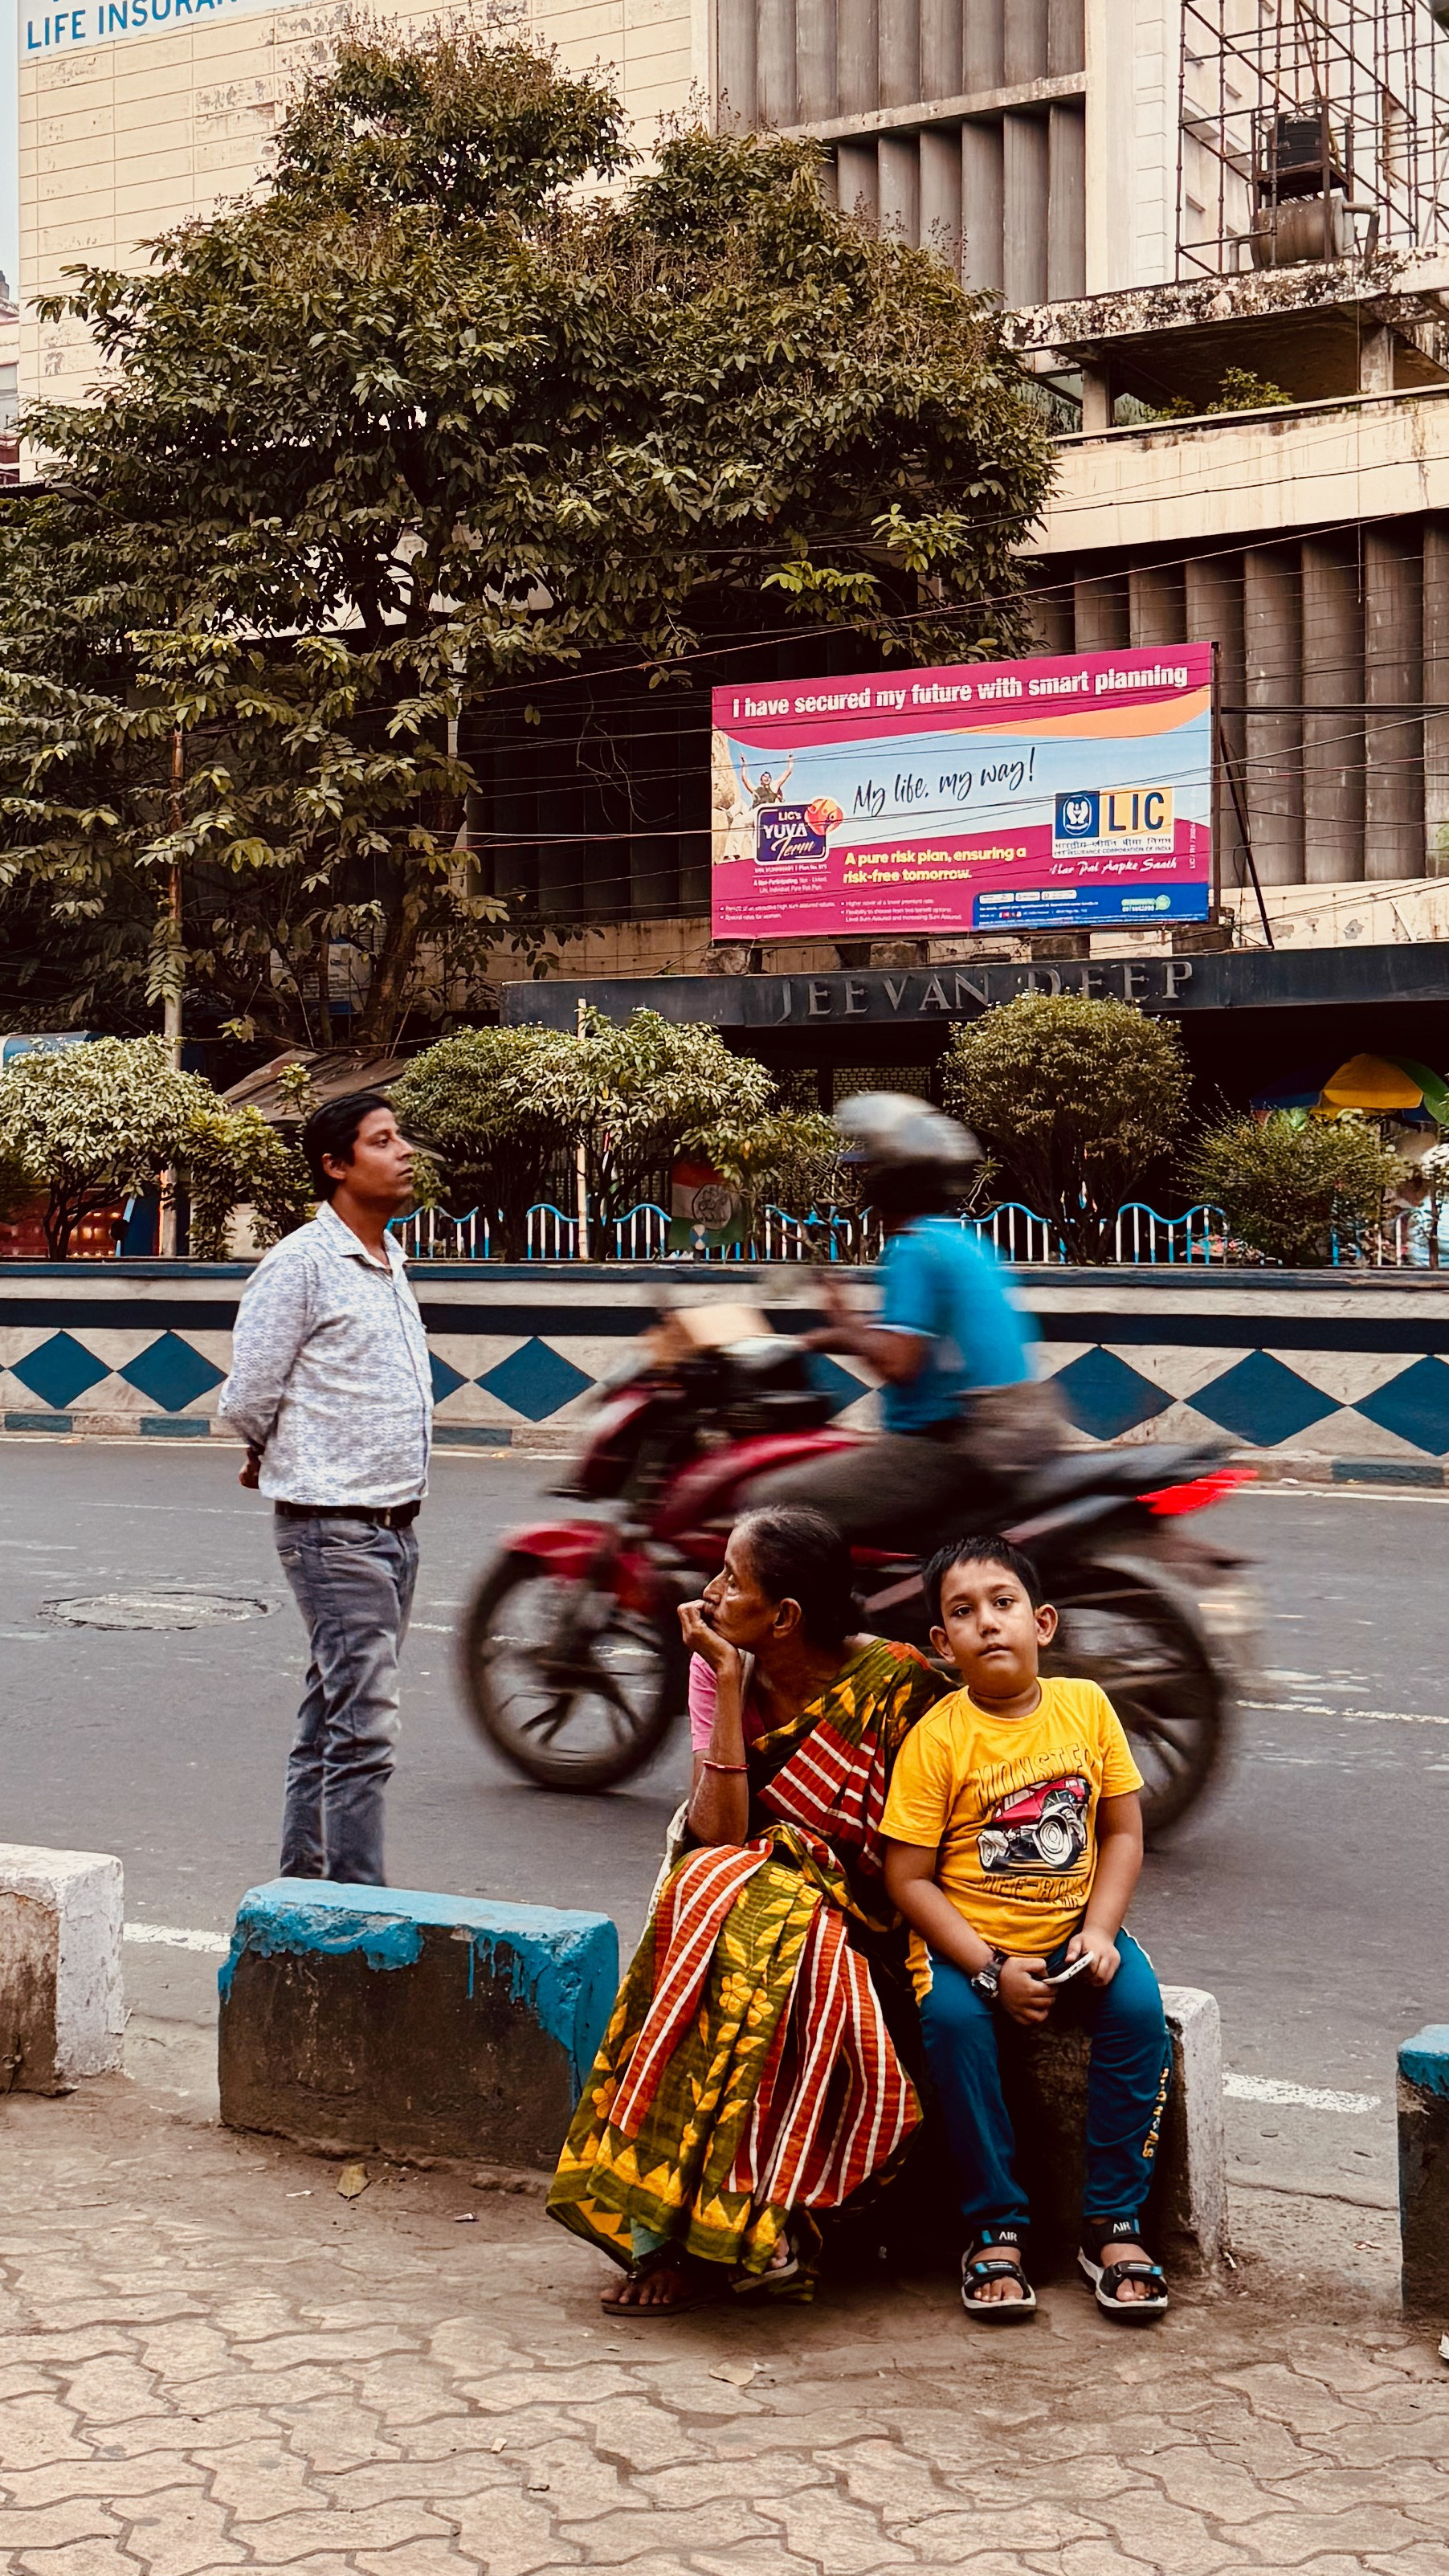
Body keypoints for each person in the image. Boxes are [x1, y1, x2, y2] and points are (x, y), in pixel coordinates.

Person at [548, 1506, 946, 2315]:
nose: (711, 1591)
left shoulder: (899, 1688)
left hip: (861, 1924)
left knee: (755, 1924)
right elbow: (717, 1830)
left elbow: (913, 1854)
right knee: (709, 1897)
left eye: (732, 1579)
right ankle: (673, 2230)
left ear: (786, 1617)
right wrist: (728, 1683)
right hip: (743, 1890)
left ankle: (761, 2224)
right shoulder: (716, 1664)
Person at [881, 1535, 1171, 2323]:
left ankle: (1111, 2222)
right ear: (942, 1645)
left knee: (1140, 2015)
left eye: (1002, 1604)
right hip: (966, 1947)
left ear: (1042, 1622)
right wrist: (986, 1969)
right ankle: (995, 2227)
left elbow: (1120, 1834)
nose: (987, 1624)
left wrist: (1103, 1932)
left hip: (1074, 1937)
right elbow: (906, 1878)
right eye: (963, 1613)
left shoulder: (1086, 1708)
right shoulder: (938, 1737)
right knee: (953, 2028)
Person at [218, 1092, 431, 1887]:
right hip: (332, 1526)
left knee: (330, 1719)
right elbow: (248, 1395)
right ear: (336, 1166)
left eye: (399, 1136)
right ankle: (355, 1913)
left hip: (394, 1524)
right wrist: (267, 1451)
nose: (404, 1150)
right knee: (365, 1730)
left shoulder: (388, 1259)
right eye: (383, 1140)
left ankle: (302, 1895)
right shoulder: (301, 1265)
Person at [749, 1093, 1062, 1547]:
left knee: (771, 1500)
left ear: (893, 1179)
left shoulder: (913, 1248)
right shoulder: (960, 1241)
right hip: (1015, 1430)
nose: (863, 1181)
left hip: (953, 1444)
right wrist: (813, 1340)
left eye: (871, 1168)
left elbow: (899, 1361)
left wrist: (844, 1326)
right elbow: (905, 1333)